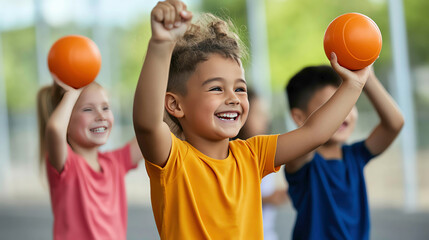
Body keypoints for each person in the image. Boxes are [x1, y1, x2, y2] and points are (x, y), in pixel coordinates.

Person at [133, 0, 371, 238]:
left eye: (240, 88)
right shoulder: (173, 160)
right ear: (175, 104)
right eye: (216, 88)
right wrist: (161, 44)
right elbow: (148, 124)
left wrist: (354, 85)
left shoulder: (253, 155)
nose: (233, 98)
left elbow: (314, 133)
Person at [284, 65, 404, 240]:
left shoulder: (355, 156)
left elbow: (394, 124)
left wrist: (367, 78)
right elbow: (314, 134)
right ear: (299, 117)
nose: (343, 114)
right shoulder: (301, 162)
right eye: (332, 106)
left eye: (348, 104)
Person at [36, 77, 143, 240]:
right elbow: (55, 129)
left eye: (106, 107)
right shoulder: (67, 164)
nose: (100, 115)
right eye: (88, 109)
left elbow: (149, 134)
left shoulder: (115, 162)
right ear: (67, 121)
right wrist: (72, 93)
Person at [235, 89, 288, 240]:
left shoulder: (263, 151)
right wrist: (266, 199)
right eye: (258, 113)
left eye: (265, 113)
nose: (265, 118)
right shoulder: (231, 155)